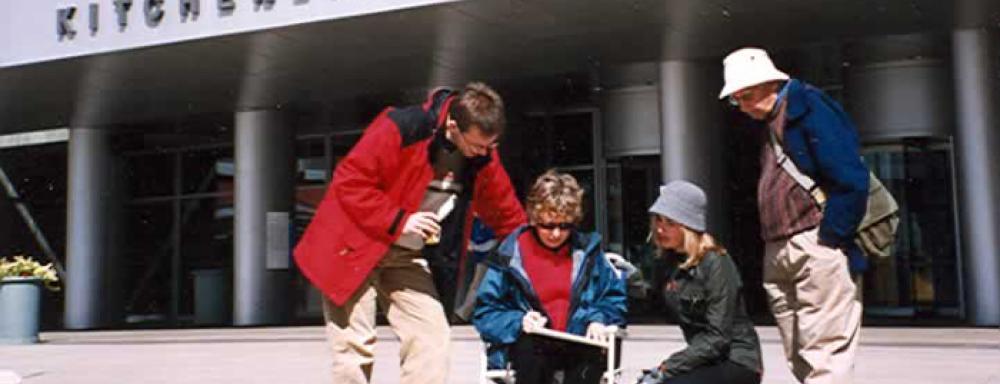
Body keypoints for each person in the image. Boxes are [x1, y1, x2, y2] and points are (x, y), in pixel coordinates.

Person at [294, 82, 527, 384]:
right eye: (477, 145)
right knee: (355, 349)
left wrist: (533, 251)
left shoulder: (482, 155)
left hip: (405, 256)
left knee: (432, 340)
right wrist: (400, 220)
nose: (483, 153)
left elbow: (505, 211)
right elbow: (349, 182)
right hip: (353, 245)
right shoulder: (402, 126)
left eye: (490, 146)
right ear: (452, 126)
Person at [719, 47, 868, 384]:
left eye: (746, 96)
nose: (743, 106)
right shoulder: (772, 121)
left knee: (824, 351)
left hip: (814, 241)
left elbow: (851, 178)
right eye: (736, 100)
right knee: (799, 351)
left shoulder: (810, 107)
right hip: (781, 246)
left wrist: (830, 238)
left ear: (771, 83)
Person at [473, 170, 627, 384]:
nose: (556, 234)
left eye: (564, 226)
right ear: (534, 219)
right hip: (530, 346)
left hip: (579, 340)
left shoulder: (588, 252)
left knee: (590, 355)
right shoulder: (510, 254)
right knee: (531, 352)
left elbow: (613, 299)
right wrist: (518, 320)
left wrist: (598, 319)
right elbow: (485, 311)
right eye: (548, 225)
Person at [636, 180, 763, 384]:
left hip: (737, 360)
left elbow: (718, 338)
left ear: (688, 226)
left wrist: (668, 368)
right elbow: (654, 307)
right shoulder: (669, 262)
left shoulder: (716, 262)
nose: (660, 229)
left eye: (670, 223)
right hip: (704, 360)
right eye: (658, 220)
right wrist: (631, 282)